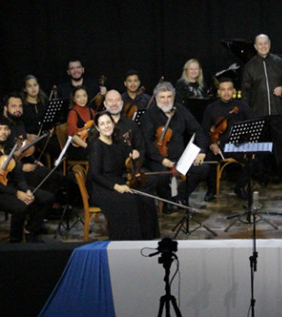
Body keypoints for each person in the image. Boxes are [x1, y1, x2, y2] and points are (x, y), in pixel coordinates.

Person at [0, 116, 53, 243]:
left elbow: (18, 175)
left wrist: (26, 190)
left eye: (6, 129)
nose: (3, 132)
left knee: (47, 198)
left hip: (13, 188)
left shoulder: (9, 149)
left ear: (10, 131)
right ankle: (15, 241)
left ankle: (29, 231)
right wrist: (17, 194)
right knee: (21, 207)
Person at [86, 112, 158, 240]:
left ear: (113, 124)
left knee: (144, 196)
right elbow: (95, 175)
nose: (106, 126)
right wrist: (116, 187)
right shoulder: (96, 146)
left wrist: (133, 154)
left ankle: (148, 237)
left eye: (108, 122)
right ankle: (126, 241)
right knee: (128, 200)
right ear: (97, 128)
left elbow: (126, 156)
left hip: (117, 181)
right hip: (101, 187)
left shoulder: (117, 142)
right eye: (102, 124)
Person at [142, 81, 210, 208]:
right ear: (156, 98)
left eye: (169, 97)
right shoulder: (150, 115)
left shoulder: (180, 110)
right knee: (160, 175)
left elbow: (198, 130)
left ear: (173, 97)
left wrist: (202, 151)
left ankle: (180, 197)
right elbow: (146, 142)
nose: (166, 100)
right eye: (162, 97)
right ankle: (168, 201)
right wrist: (162, 160)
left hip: (180, 158)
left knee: (202, 169)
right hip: (158, 159)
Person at [239, 33, 282, 180]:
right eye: (260, 44)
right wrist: (247, 114)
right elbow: (246, 92)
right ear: (255, 47)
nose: (263, 46)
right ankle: (262, 176)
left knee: (280, 145)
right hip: (258, 112)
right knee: (261, 146)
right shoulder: (249, 66)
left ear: (270, 44)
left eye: (265, 43)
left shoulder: (279, 62)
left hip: (277, 111)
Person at [201, 77, 255, 201]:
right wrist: (211, 144)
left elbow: (253, 124)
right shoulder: (211, 108)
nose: (226, 92)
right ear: (218, 92)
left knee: (254, 158)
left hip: (238, 146)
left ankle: (240, 187)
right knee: (209, 159)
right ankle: (211, 190)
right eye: (223, 90)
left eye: (229, 89)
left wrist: (250, 145)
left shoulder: (242, 106)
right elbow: (204, 131)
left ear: (234, 91)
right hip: (219, 146)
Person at [65, 85, 94, 162]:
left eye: (84, 96)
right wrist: (88, 147)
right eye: (78, 97)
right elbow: (73, 136)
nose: (82, 99)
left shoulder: (91, 110)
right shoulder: (73, 113)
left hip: (90, 143)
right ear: (74, 99)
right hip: (79, 147)